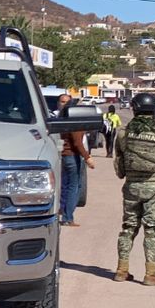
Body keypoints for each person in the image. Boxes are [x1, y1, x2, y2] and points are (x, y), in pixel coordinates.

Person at [113, 93, 155, 285]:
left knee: (128, 228)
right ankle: (150, 274)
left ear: (134, 109)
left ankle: (121, 270)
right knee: (151, 231)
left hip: (132, 187)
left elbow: (119, 163)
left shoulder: (123, 133)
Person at [59, 94, 95, 228]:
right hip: (72, 157)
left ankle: (64, 212)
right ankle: (68, 217)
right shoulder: (75, 123)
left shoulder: (63, 119)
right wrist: (87, 157)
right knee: (74, 188)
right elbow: (77, 143)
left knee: (67, 186)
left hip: (66, 156)